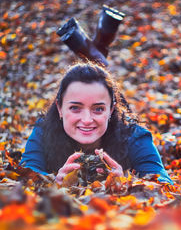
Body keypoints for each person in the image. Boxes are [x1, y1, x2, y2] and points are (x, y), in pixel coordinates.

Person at [20, 62, 173, 185]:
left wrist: (128, 184)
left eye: (98, 109)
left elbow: (164, 183)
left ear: (111, 110)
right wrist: (53, 183)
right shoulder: (43, 132)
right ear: (60, 108)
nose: (87, 119)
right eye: (75, 108)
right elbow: (23, 178)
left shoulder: (134, 136)